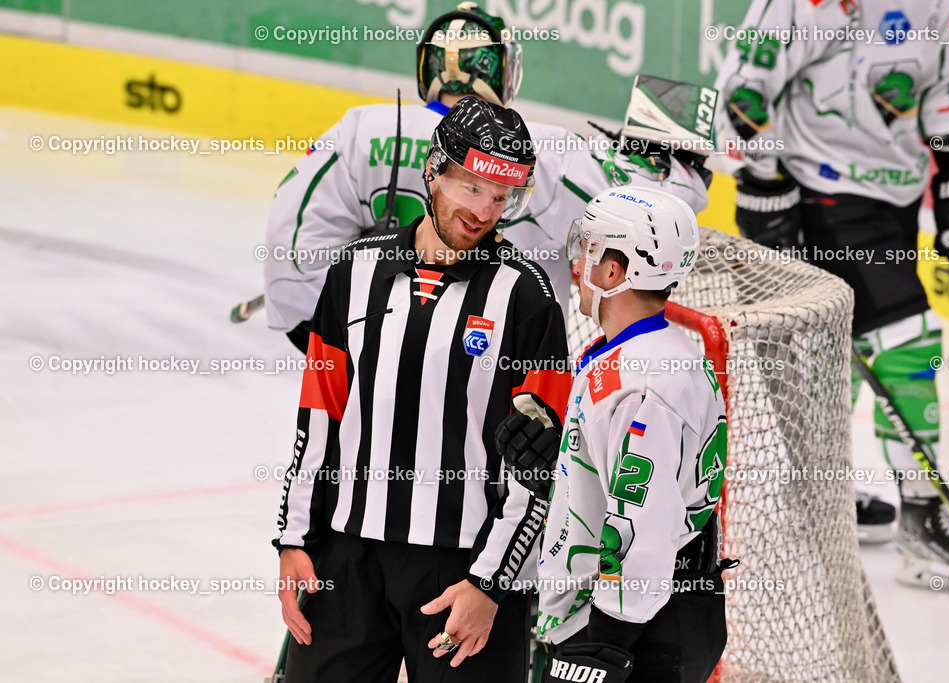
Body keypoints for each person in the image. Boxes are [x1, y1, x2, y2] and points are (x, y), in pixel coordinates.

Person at [273, 97, 572, 682]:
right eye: (472, 187)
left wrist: (491, 584)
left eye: (501, 196)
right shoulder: (352, 273)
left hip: (463, 571)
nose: (485, 210)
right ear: (433, 171)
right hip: (346, 557)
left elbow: (537, 468)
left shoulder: (529, 299)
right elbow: (319, 418)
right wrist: (293, 539)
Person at [714, 0, 949, 581]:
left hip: (897, 200)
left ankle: (817, 500)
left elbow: (936, 88)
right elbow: (744, 93)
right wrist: (765, 183)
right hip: (821, 193)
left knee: (836, 355)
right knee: (907, 342)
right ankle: (923, 523)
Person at [263, 1, 710, 351]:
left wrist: (335, 338)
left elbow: (291, 256)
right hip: (495, 368)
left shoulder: (357, 131)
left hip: (371, 363)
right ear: (500, 71)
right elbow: (662, 208)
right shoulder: (543, 152)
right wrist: (665, 160)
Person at [497, 187, 732, 682]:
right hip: (637, 613)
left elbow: (641, 523)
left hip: (640, 628)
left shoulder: (646, 383)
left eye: (589, 250)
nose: (577, 264)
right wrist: (562, 472)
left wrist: (605, 642)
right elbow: (629, 486)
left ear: (614, 272)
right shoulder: (644, 354)